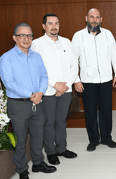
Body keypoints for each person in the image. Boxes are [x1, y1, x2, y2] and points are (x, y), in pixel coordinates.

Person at [0, 23, 56, 179]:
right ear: (14, 38)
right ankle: (22, 169)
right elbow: (9, 82)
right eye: (22, 35)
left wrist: (39, 92)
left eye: (29, 35)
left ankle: (38, 163)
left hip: (37, 102)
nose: (26, 39)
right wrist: (31, 94)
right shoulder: (6, 58)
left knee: (38, 135)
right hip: (18, 105)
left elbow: (44, 76)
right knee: (20, 139)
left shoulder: (36, 56)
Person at [31, 13, 78, 165]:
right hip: (47, 91)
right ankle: (50, 152)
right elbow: (37, 69)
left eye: (56, 23)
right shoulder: (36, 44)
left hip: (65, 90)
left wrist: (66, 85)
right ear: (44, 26)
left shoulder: (66, 42)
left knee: (61, 120)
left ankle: (61, 148)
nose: (54, 26)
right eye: (50, 23)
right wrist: (54, 84)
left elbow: (74, 65)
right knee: (49, 122)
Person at [72, 8, 116, 152]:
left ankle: (106, 137)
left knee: (106, 110)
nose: (94, 19)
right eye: (91, 17)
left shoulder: (108, 35)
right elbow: (73, 60)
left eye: (97, 17)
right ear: (86, 18)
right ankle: (93, 140)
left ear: (101, 19)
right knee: (90, 111)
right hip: (87, 81)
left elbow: (114, 55)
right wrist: (76, 79)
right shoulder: (78, 36)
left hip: (106, 80)